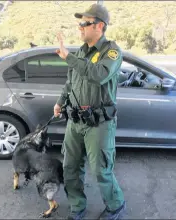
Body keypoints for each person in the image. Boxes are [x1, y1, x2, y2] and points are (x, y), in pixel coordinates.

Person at [54, 3, 125, 220]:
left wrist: (69, 58)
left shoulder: (111, 51)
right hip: (75, 120)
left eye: (85, 23)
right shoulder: (81, 52)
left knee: (101, 170)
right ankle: (77, 207)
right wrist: (60, 102)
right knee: (70, 167)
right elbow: (71, 82)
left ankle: (115, 206)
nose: (80, 27)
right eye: (80, 23)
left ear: (100, 26)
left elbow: (98, 75)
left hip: (99, 122)